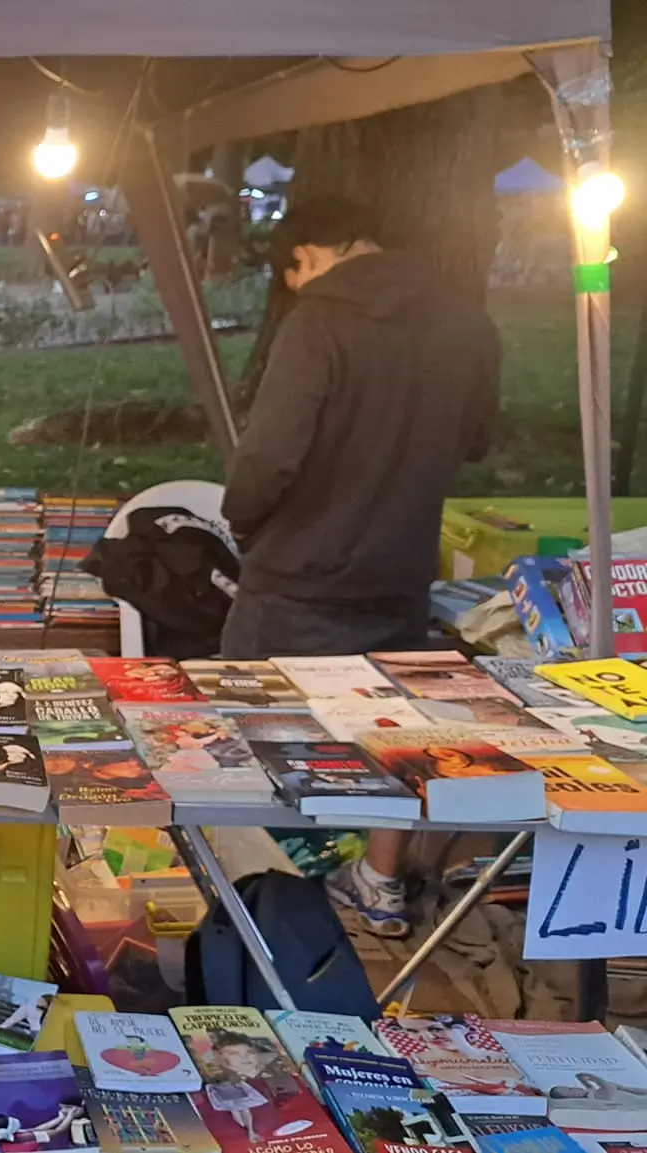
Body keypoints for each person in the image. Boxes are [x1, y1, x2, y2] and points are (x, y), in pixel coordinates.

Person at [219, 196, 500, 939]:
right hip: (399, 564)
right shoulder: (466, 323)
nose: (298, 284)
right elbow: (477, 438)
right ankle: (380, 881)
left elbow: (269, 454)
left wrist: (245, 523)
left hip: (296, 571)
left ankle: (253, 891)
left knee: (250, 727)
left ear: (313, 253)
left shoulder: (318, 321)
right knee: (384, 733)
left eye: (296, 270)